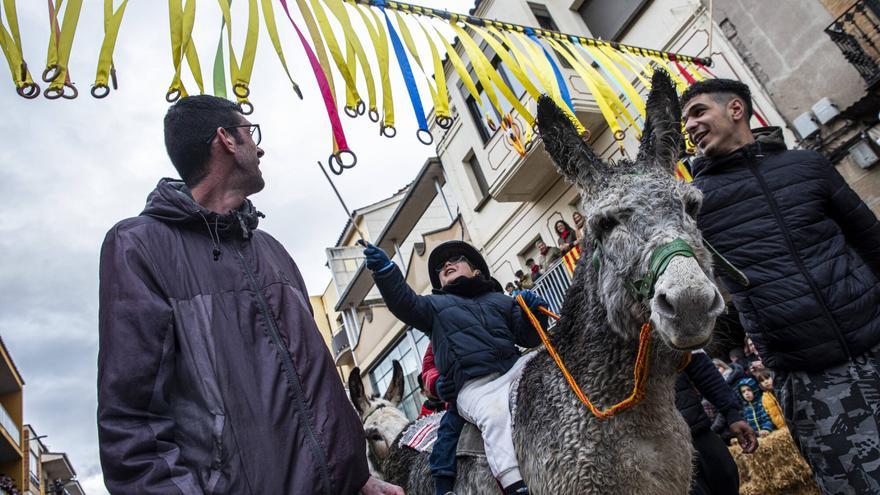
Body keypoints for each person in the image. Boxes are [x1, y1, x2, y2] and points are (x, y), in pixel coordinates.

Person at [97, 95, 402, 495]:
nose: (259, 148)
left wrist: (357, 478)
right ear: (225, 139)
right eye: (250, 133)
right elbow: (132, 424)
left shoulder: (272, 250)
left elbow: (318, 383)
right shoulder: (139, 247)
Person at [683, 78, 880, 494]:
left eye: (698, 112)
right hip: (810, 379)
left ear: (736, 109)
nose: (690, 125)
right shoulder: (693, 207)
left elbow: (870, 240)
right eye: (686, 119)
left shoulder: (807, 166)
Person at [362, 240, 548, 495]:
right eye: (440, 266)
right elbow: (404, 302)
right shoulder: (433, 307)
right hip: (475, 387)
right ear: (439, 283)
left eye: (456, 259)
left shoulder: (501, 301)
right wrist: (385, 271)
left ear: (477, 272)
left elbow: (530, 338)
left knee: (544, 365)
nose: (447, 264)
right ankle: (514, 484)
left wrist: (535, 311)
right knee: (494, 415)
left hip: (512, 370)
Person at [675, 352, 757, 495]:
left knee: (726, 476)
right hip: (653, 444)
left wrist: (732, 414)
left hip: (697, 429)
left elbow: (702, 369)